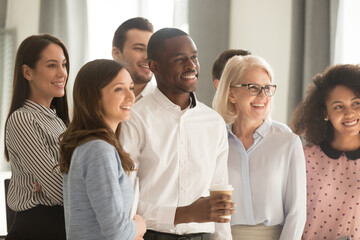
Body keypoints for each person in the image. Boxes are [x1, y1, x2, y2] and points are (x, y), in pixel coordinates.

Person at [120, 28, 235, 240]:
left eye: (194, 57)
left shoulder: (213, 122)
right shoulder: (135, 119)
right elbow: (126, 200)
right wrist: (185, 214)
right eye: (180, 59)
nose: (191, 66)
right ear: (154, 66)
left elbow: (219, 200)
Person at [213, 55, 306, 240]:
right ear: (231, 94)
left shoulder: (288, 142)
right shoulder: (215, 141)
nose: (263, 96)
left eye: (268, 88)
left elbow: (296, 212)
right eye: (253, 88)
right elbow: (214, 209)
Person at [59, 59, 146, 240]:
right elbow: (117, 232)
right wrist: (139, 226)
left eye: (131, 88)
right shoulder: (98, 150)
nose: (131, 97)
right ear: (94, 97)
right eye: (119, 89)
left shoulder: (90, 146)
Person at [4, 34, 69, 239]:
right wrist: (62, 182)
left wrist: (61, 181)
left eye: (64, 64)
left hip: (61, 225)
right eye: (52, 66)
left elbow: (61, 183)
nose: (62, 73)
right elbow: (59, 189)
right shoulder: (22, 119)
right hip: (37, 228)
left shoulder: (58, 120)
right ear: (27, 72)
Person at [291, 64, 360, 240]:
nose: (350, 113)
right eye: (338, 106)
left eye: (356, 103)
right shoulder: (304, 158)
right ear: (325, 112)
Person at [112, 17, 155, 102]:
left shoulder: (165, 103)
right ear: (116, 53)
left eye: (151, 49)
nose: (148, 57)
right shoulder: (96, 98)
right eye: (139, 48)